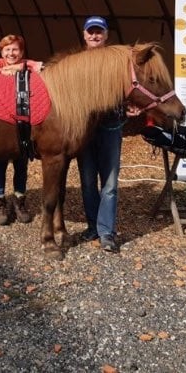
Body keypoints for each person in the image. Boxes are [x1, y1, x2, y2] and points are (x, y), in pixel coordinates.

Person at [76, 15, 136, 253]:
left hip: (110, 128)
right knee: (88, 182)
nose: (94, 35)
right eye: (90, 31)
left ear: (106, 35)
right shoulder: (76, 63)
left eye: (99, 31)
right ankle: (93, 226)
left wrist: (130, 106)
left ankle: (106, 232)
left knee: (109, 184)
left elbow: (130, 87)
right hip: (85, 131)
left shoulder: (117, 61)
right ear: (84, 35)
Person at [0, 34, 43, 225]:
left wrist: (21, 66)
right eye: (7, 50)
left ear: (21, 52)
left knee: (21, 165)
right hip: (1, 125)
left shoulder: (26, 64)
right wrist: (2, 71)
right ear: (1, 51)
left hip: (23, 123)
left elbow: (40, 65)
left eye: (15, 50)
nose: (11, 53)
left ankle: (20, 201)